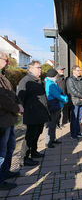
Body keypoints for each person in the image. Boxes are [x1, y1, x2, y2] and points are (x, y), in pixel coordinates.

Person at [17, 60, 50, 165]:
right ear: (30, 69)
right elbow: (20, 95)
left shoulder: (38, 81)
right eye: (38, 68)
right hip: (32, 113)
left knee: (37, 133)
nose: (40, 69)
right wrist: (20, 106)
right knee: (30, 136)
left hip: (40, 113)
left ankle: (33, 152)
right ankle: (24, 158)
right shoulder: (26, 81)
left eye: (40, 68)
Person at [0, 52, 22, 190]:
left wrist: (19, 103)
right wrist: (16, 107)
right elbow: (2, 98)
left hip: (9, 120)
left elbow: (12, 94)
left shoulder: (3, 77)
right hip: (2, 120)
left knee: (10, 147)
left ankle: (5, 172)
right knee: (1, 152)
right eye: (5, 60)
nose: (8, 63)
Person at [45, 69, 68, 148]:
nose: (57, 76)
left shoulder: (52, 82)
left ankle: (53, 139)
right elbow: (57, 94)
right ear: (53, 75)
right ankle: (48, 141)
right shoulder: (49, 84)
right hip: (53, 105)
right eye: (56, 75)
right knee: (50, 124)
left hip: (56, 105)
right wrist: (65, 99)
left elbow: (60, 91)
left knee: (54, 123)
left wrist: (62, 95)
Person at [66, 65, 82, 140]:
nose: (79, 72)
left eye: (80, 70)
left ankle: (78, 132)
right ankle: (73, 134)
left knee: (79, 119)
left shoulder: (81, 79)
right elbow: (72, 91)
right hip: (75, 102)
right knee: (74, 119)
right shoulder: (70, 80)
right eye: (78, 70)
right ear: (73, 71)